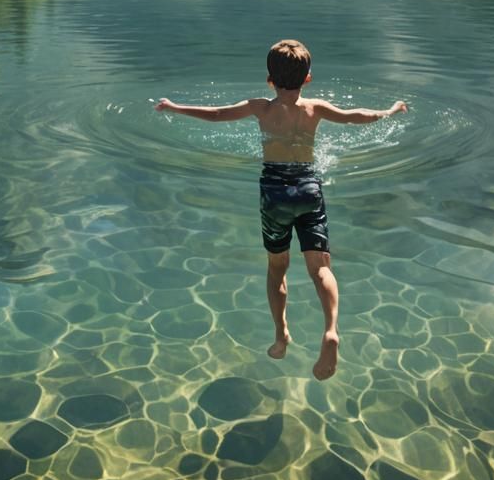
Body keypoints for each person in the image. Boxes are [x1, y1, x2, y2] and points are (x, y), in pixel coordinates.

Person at [153, 38, 407, 381]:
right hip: (308, 188)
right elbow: (355, 117)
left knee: (277, 268)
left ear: (269, 79)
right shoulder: (314, 108)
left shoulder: (262, 107)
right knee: (320, 268)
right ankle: (331, 328)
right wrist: (389, 112)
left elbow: (216, 115)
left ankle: (281, 334)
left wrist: (174, 107)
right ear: (308, 79)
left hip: (274, 191)